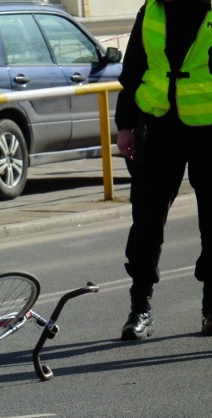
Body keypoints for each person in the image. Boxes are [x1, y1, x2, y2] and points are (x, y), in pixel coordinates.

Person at [115, 0, 212, 340]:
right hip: (157, 127)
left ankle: (211, 308)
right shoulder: (152, 11)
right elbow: (133, 71)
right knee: (146, 222)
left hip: (209, 128)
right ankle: (139, 308)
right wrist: (125, 125)